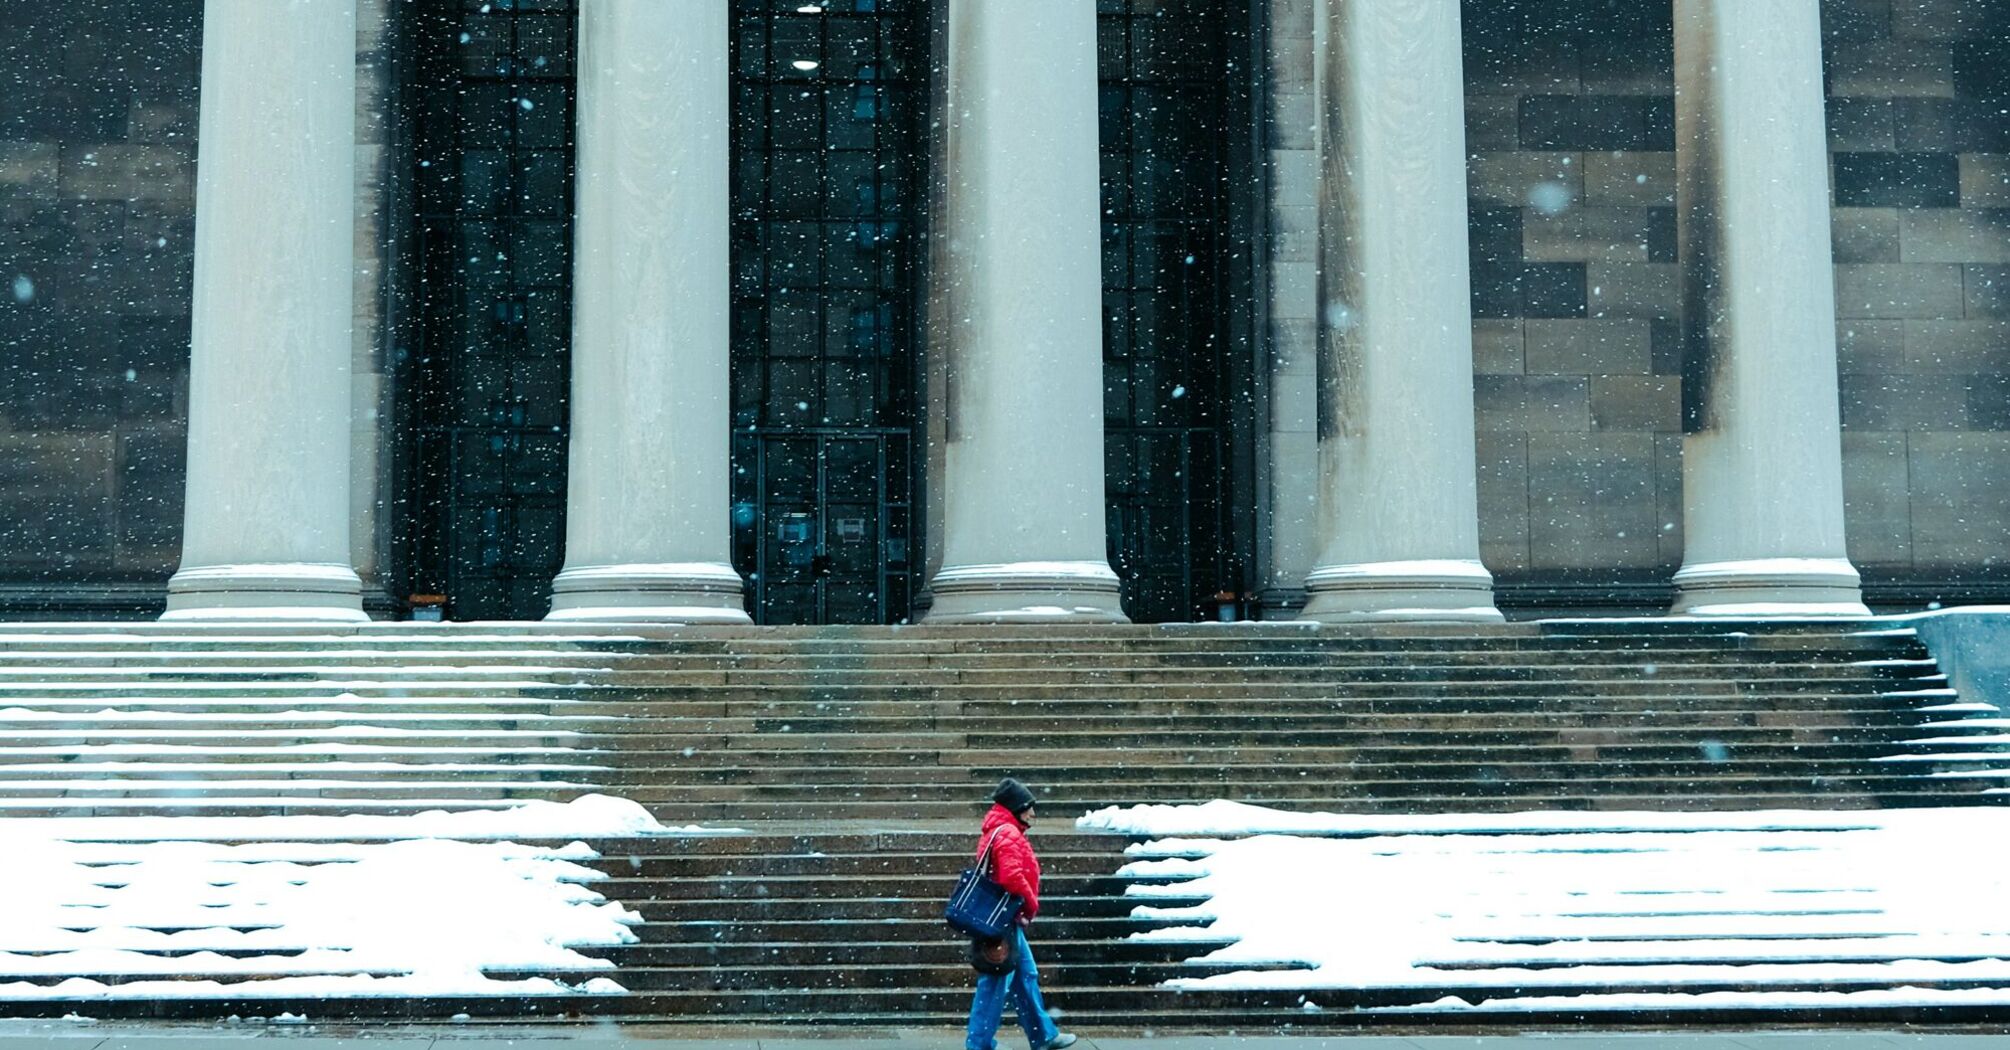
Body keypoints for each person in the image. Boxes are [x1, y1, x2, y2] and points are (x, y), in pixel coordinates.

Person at [966, 777, 1077, 1050]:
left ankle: (1043, 1035)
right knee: (994, 983)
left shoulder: (1002, 830)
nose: (1032, 813)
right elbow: (1011, 877)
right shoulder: (1007, 833)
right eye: (1028, 807)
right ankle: (979, 1044)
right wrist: (1030, 903)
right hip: (1003, 919)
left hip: (1003, 917)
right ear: (1016, 807)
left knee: (1025, 977)